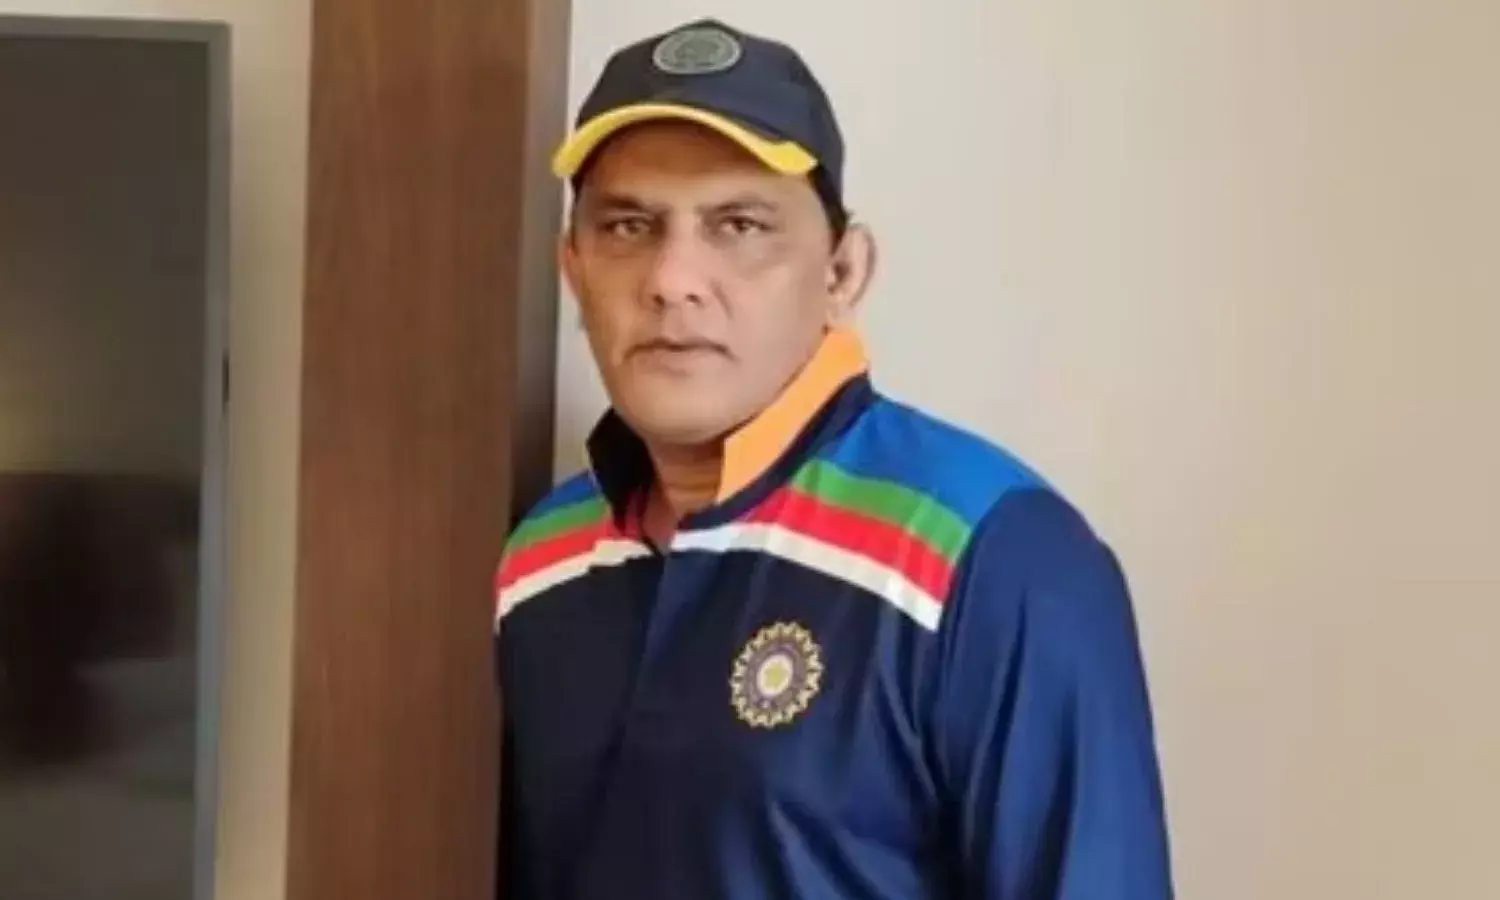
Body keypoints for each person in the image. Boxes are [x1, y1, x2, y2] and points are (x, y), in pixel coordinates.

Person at [493, 17, 1173, 900]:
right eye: (629, 226)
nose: (671, 279)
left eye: (739, 224)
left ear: (843, 273)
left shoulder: (991, 554)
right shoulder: (540, 562)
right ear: (573, 268)